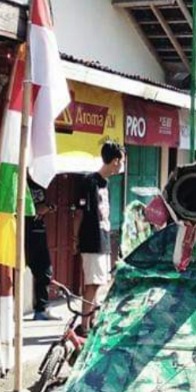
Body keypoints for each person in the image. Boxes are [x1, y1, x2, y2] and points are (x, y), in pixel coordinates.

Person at [74, 142, 125, 332]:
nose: (121, 166)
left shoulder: (106, 183)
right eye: (121, 162)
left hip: (103, 238)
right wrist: (75, 239)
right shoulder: (90, 182)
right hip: (91, 239)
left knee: (99, 283)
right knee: (92, 284)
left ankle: (92, 320)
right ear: (115, 161)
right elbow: (79, 213)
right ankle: (84, 326)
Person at [25, 178, 60, 321]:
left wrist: (49, 207)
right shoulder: (19, 181)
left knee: (44, 272)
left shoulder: (39, 184)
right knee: (14, 272)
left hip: (38, 231)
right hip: (22, 231)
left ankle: (41, 309)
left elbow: (43, 206)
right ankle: (6, 310)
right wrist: (39, 209)